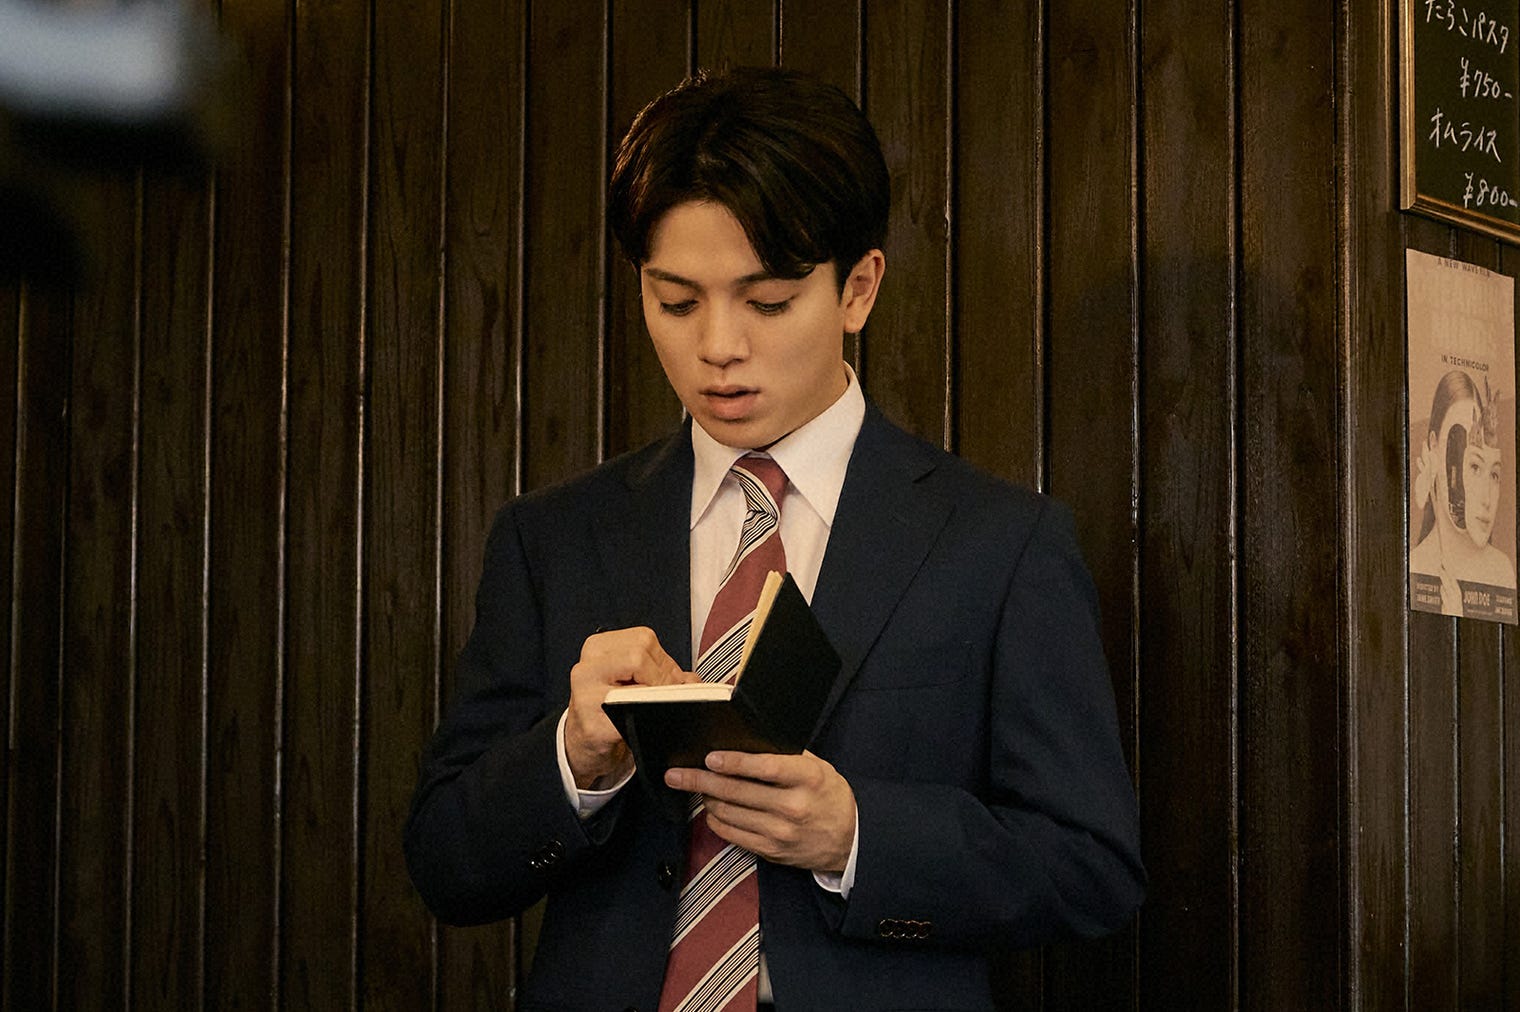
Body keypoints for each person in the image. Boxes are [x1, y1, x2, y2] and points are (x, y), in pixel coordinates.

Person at [404, 66, 1144, 1011]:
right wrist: (572, 761)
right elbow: (444, 862)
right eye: (676, 301)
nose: (718, 347)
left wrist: (858, 836)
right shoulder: (553, 538)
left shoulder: (999, 544)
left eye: (767, 303)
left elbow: (1092, 868)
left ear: (858, 289)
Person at [1411, 368, 1517, 616]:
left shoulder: (1502, 571)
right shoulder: (1417, 564)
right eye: (1473, 466)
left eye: (1493, 474)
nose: (1485, 499)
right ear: (1434, 445)